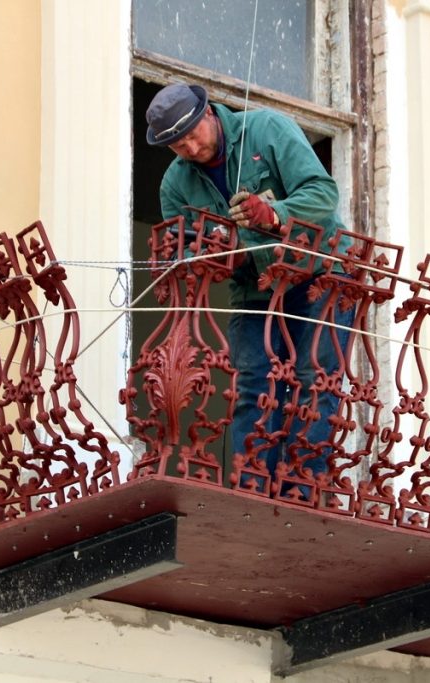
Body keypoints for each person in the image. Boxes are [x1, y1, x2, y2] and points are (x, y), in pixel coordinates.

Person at [145, 82, 353, 501]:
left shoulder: (267, 129)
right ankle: (252, 490)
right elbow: (182, 249)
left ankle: (303, 489)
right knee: (252, 386)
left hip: (321, 274)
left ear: (209, 114)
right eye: (176, 144)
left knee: (316, 381)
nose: (189, 147)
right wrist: (213, 257)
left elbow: (323, 194)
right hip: (253, 289)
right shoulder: (175, 184)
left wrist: (275, 214)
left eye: (192, 134)